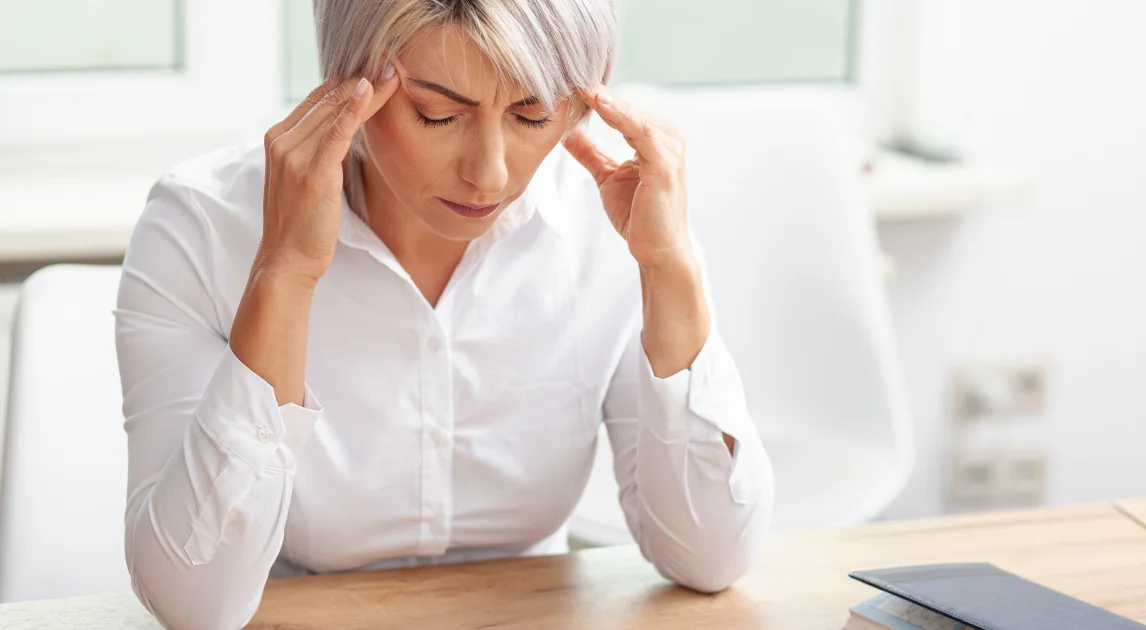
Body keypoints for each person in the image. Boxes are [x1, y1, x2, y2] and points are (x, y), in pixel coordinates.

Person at [116, 1, 774, 627]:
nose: (488, 175)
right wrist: (283, 273)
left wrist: (671, 270)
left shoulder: (612, 222)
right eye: (436, 115)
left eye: (533, 114)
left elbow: (709, 558)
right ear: (348, 84)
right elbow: (194, 606)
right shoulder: (201, 226)